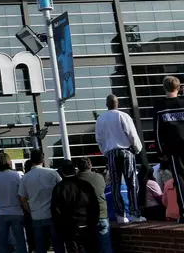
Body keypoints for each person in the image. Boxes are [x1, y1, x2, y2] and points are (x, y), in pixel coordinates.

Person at [96, 94, 145, 223]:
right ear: (117, 104)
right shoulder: (123, 116)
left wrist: (105, 152)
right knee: (132, 183)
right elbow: (132, 134)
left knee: (115, 184)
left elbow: (99, 139)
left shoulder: (101, 119)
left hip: (111, 152)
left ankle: (120, 215)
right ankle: (134, 214)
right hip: (126, 151)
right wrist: (137, 149)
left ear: (107, 104)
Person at [17, 150, 62, 253]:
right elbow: (62, 189)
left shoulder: (26, 177)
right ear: (42, 159)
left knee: (40, 247)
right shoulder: (52, 173)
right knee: (58, 245)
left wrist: (30, 210)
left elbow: (22, 198)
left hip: (36, 216)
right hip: (52, 215)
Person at [153, 76, 184, 223]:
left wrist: (161, 152)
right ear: (178, 88)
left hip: (174, 149)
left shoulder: (160, 107)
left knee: (180, 179)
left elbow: (158, 132)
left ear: (164, 88)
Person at [51, 161, 100, 253]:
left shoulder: (59, 188)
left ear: (62, 172)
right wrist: (93, 221)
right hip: (87, 223)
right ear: (75, 170)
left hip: (69, 227)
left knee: (73, 249)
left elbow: (56, 210)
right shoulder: (86, 185)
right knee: (92, 249)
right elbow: (95, 205)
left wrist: (61, 226)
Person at [0, 153, 27, 253]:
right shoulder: (16, 175)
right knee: (20, 240)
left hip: (0, 212)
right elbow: (21, 195)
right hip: (16, 211)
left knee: (2, 241)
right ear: (9, 162)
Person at [76, 157, 113, 253]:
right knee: (106, 245)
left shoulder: (74, 180)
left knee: (87, 247)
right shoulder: (99, 177)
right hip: (101, 214)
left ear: (78, 167)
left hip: (84, 219)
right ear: (90, 165)